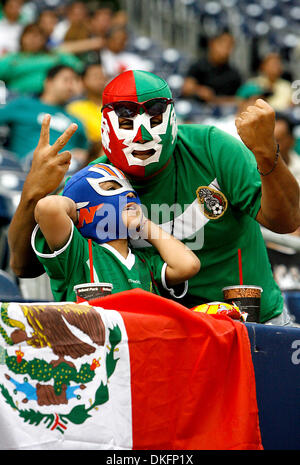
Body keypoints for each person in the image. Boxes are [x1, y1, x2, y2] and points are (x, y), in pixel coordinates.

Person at [8, 70, 300, 326]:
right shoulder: (95, 183)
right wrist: (32, 193)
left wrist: (266, 154)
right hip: (160, 333)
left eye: (155, 118)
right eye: (126, 122)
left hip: (249, 320)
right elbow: (25, 267)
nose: (142, 135)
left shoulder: (212, 148)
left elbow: (287, 221)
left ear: (171, 117)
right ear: (107, 124)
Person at [31, 147, 200, 302]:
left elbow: (188, 265)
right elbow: (48, 208)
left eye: (130, 190)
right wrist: (77, 212)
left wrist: (143, 224)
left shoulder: (145, 261)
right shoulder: (78, 253)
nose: (129, 194)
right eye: (111, 189)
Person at [0, 64, 89, 164]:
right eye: (66, 80)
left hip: (67, 170)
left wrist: (84, 154)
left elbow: (85, 150)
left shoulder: (76, 121)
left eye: (74, 82)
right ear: (48, 82)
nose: (70, 86)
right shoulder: (23, 105)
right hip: (27, 168)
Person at [0, 22, 82, 95]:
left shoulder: (55, 56)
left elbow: (80, 67)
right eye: (30, 35)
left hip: (50, 97)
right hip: (16, 96)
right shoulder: (12, 58)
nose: (33, 39)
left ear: (44, 40)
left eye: (38, 36)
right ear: (22, 38)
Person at [181, 30, 242, 105]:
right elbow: (186, 88)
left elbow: (238, 99)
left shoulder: (234, 74)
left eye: (230, 46)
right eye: (222, 44)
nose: (225, 49)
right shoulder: (198, 66)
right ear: (212, 43)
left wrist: (214, 99)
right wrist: (200, 90)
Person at [66, 62, 107, 161]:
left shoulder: (114, 108)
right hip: (90, 154)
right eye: (95, 76)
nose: (100, 80)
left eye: (103, 76)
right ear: (83, 81)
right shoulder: (74, 108)